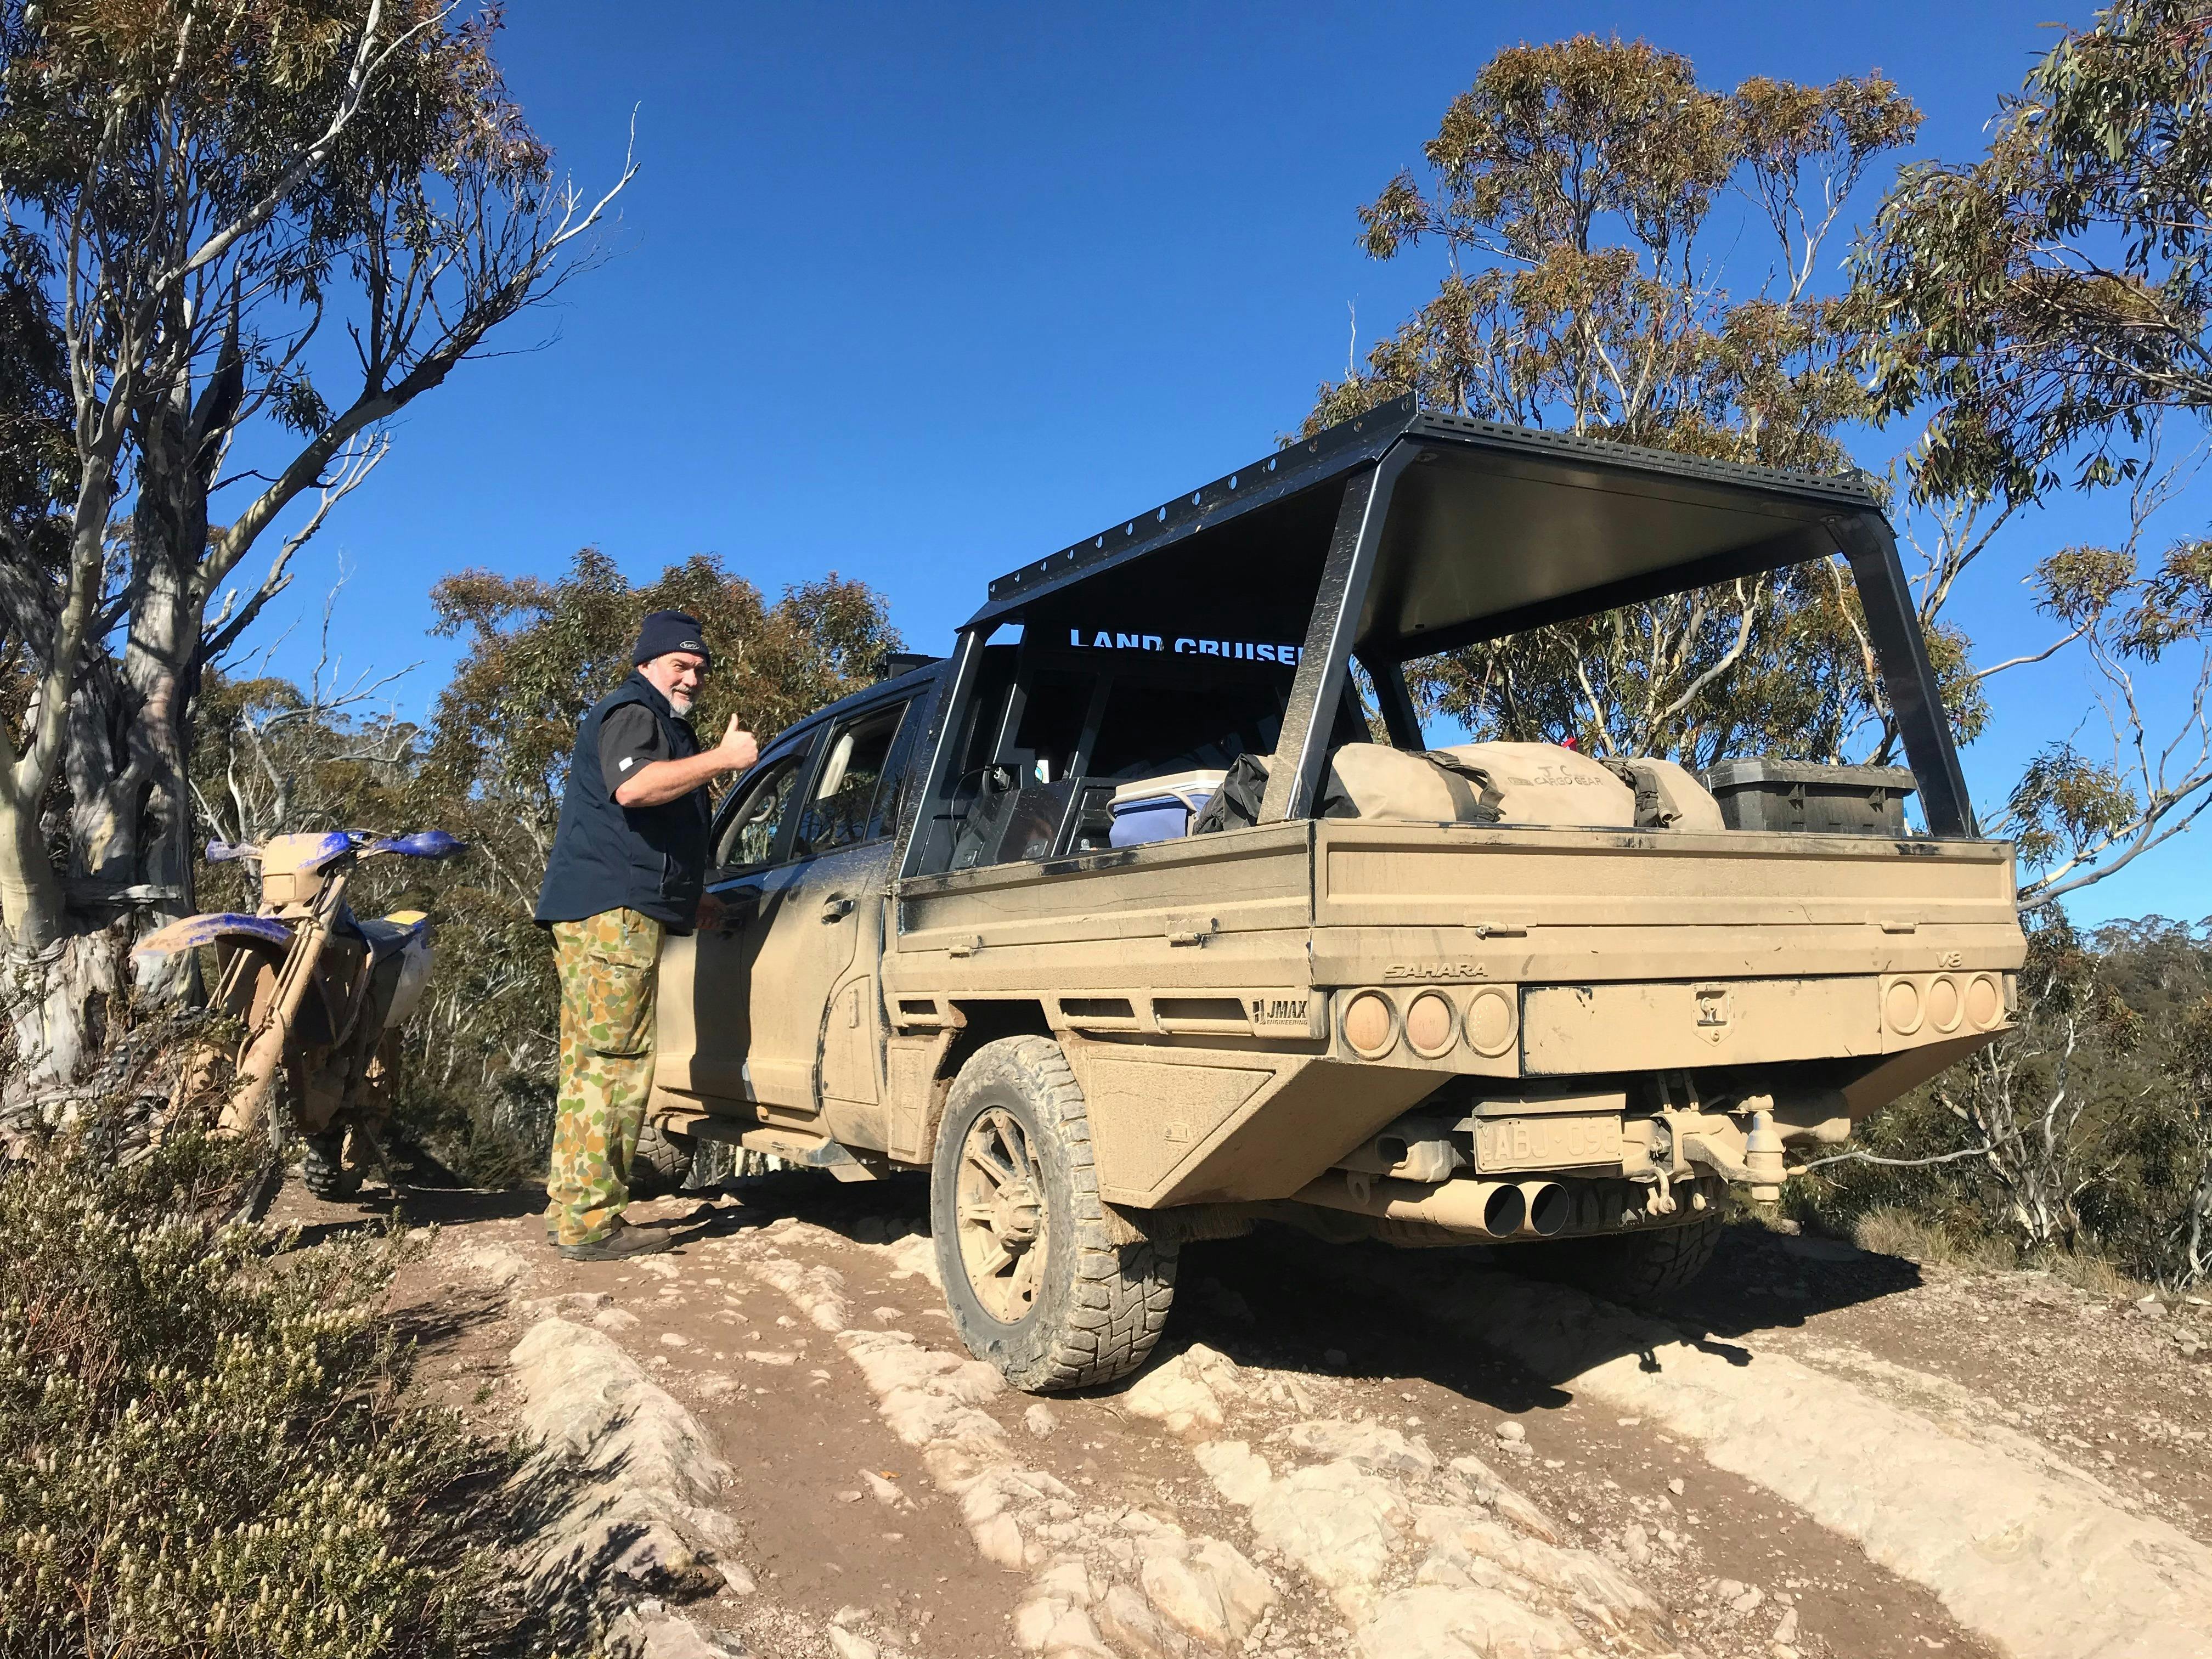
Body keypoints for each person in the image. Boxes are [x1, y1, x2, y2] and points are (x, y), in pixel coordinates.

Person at [533, 609, 759, 1260]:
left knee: (588, 1065)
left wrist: (693, 903)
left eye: (699, 668)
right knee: (616, 1066)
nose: (691, 676)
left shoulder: (658, 721)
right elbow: (634, 789)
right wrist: (724, 759)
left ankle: (572, 1212)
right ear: (646, 663)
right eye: (679, 664)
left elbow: (647, 837)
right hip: (611, 917)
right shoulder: (635, 712)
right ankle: (592, 1225)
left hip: (603, 912)